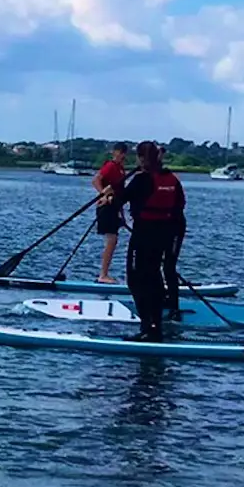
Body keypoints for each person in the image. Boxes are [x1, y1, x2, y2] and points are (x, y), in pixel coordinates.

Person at [121, 140, 186, 339]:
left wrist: (109, 194)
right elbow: (180, 205)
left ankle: (147, 327)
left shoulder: (141, 179)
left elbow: (119, 199)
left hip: (143, 234)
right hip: (164, 234)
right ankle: (155, 326)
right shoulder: (171, 179)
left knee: (136, 279)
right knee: (154, 276)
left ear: (141, 158)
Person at [92, 144, 130, 282]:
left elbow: (120, 192)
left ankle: (104, 273)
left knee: (113, 241)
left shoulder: (121, 169)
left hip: (115, 207)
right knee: (111, 240)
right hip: (106, 206)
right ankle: (103, 275)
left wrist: (122, 215)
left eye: (123, 153)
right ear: (115, 153)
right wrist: (103, 194)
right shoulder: (110, 166)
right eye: (119, 153)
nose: (122, 156)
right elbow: (96, 180)